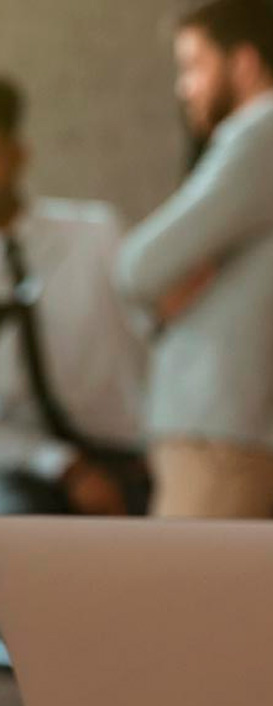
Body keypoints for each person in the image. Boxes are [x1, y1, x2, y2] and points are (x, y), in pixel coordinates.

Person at [115, 0, 273, 518]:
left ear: (244, 62)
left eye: (193, 66)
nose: (183, 87)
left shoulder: (262, 139)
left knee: (174, 596)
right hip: (234, 423)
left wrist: (165, 291)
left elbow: (137, 267)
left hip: (221, 427)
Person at [0, 76, 147, 516]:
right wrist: (66, 467)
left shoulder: (96, 232)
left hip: (138, 459)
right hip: (28, 470)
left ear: (18, 153)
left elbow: (158, 338)